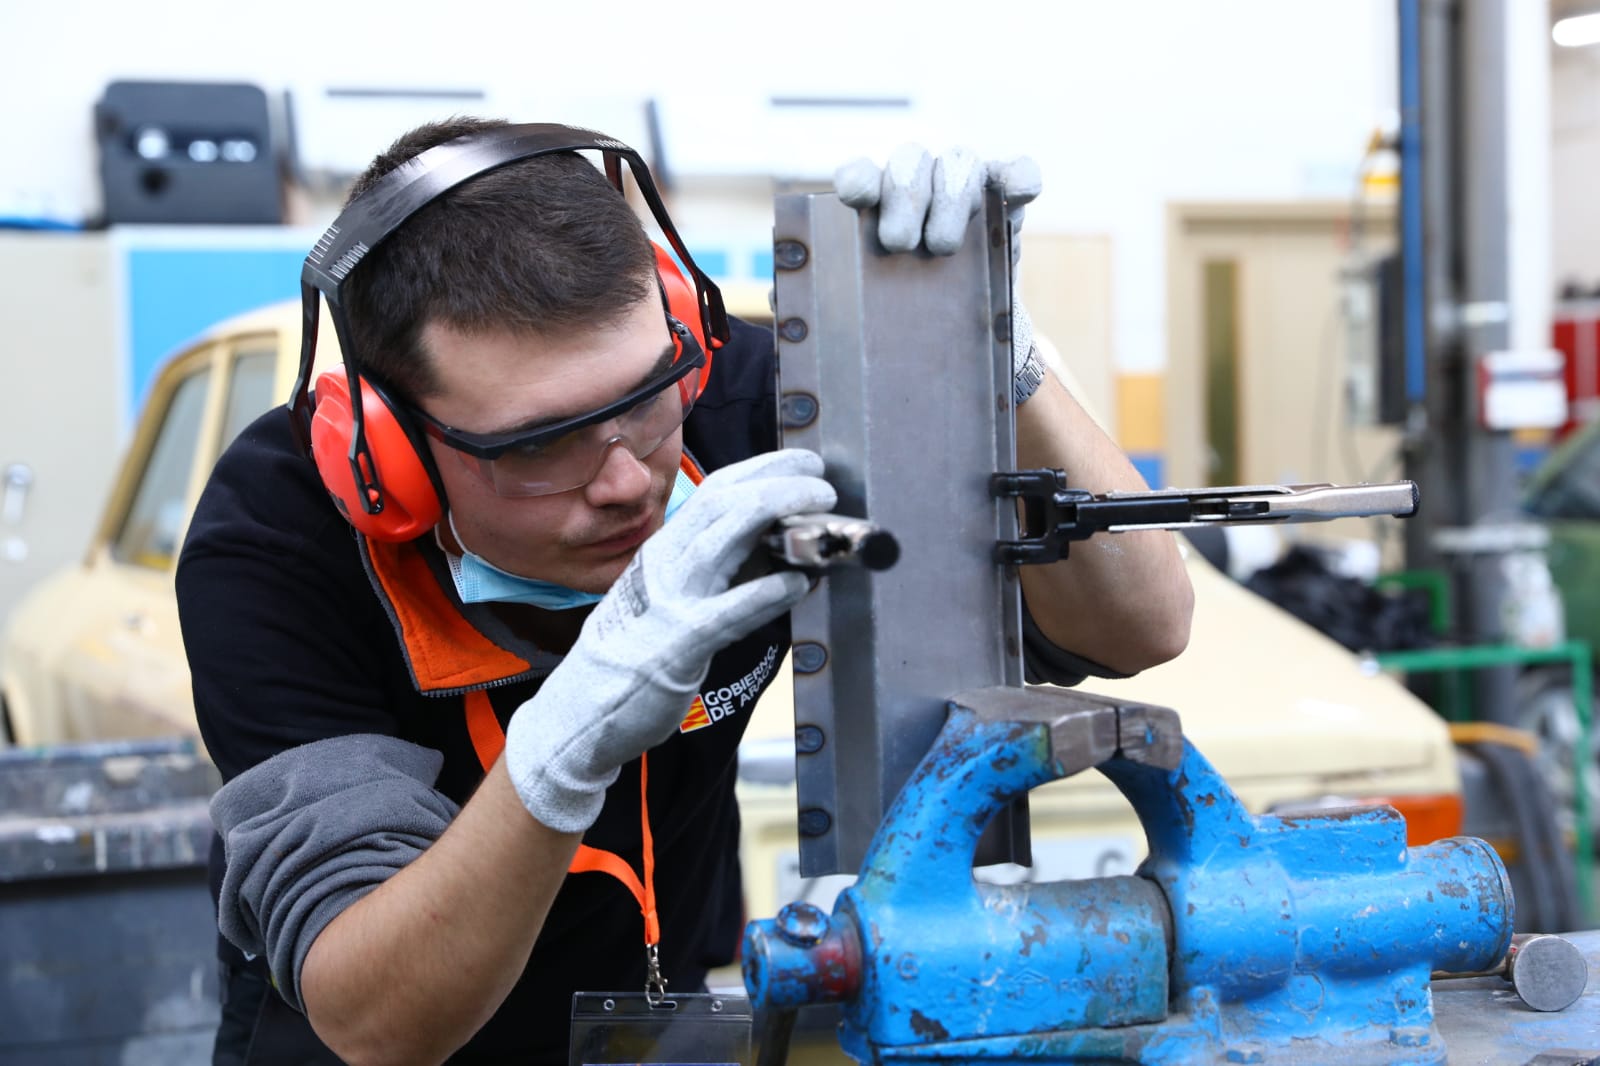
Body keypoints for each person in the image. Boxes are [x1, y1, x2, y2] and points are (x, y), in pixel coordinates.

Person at [177, 117, 1194, 1065]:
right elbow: (375, 1020)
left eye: (642, 400)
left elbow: (1144, 624)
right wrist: (558, 752)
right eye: (539, 445)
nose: (627, 480)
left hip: (662, 1024)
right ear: (389, 451)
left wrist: (995, 350)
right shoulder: (279, 541)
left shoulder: (745, 402)